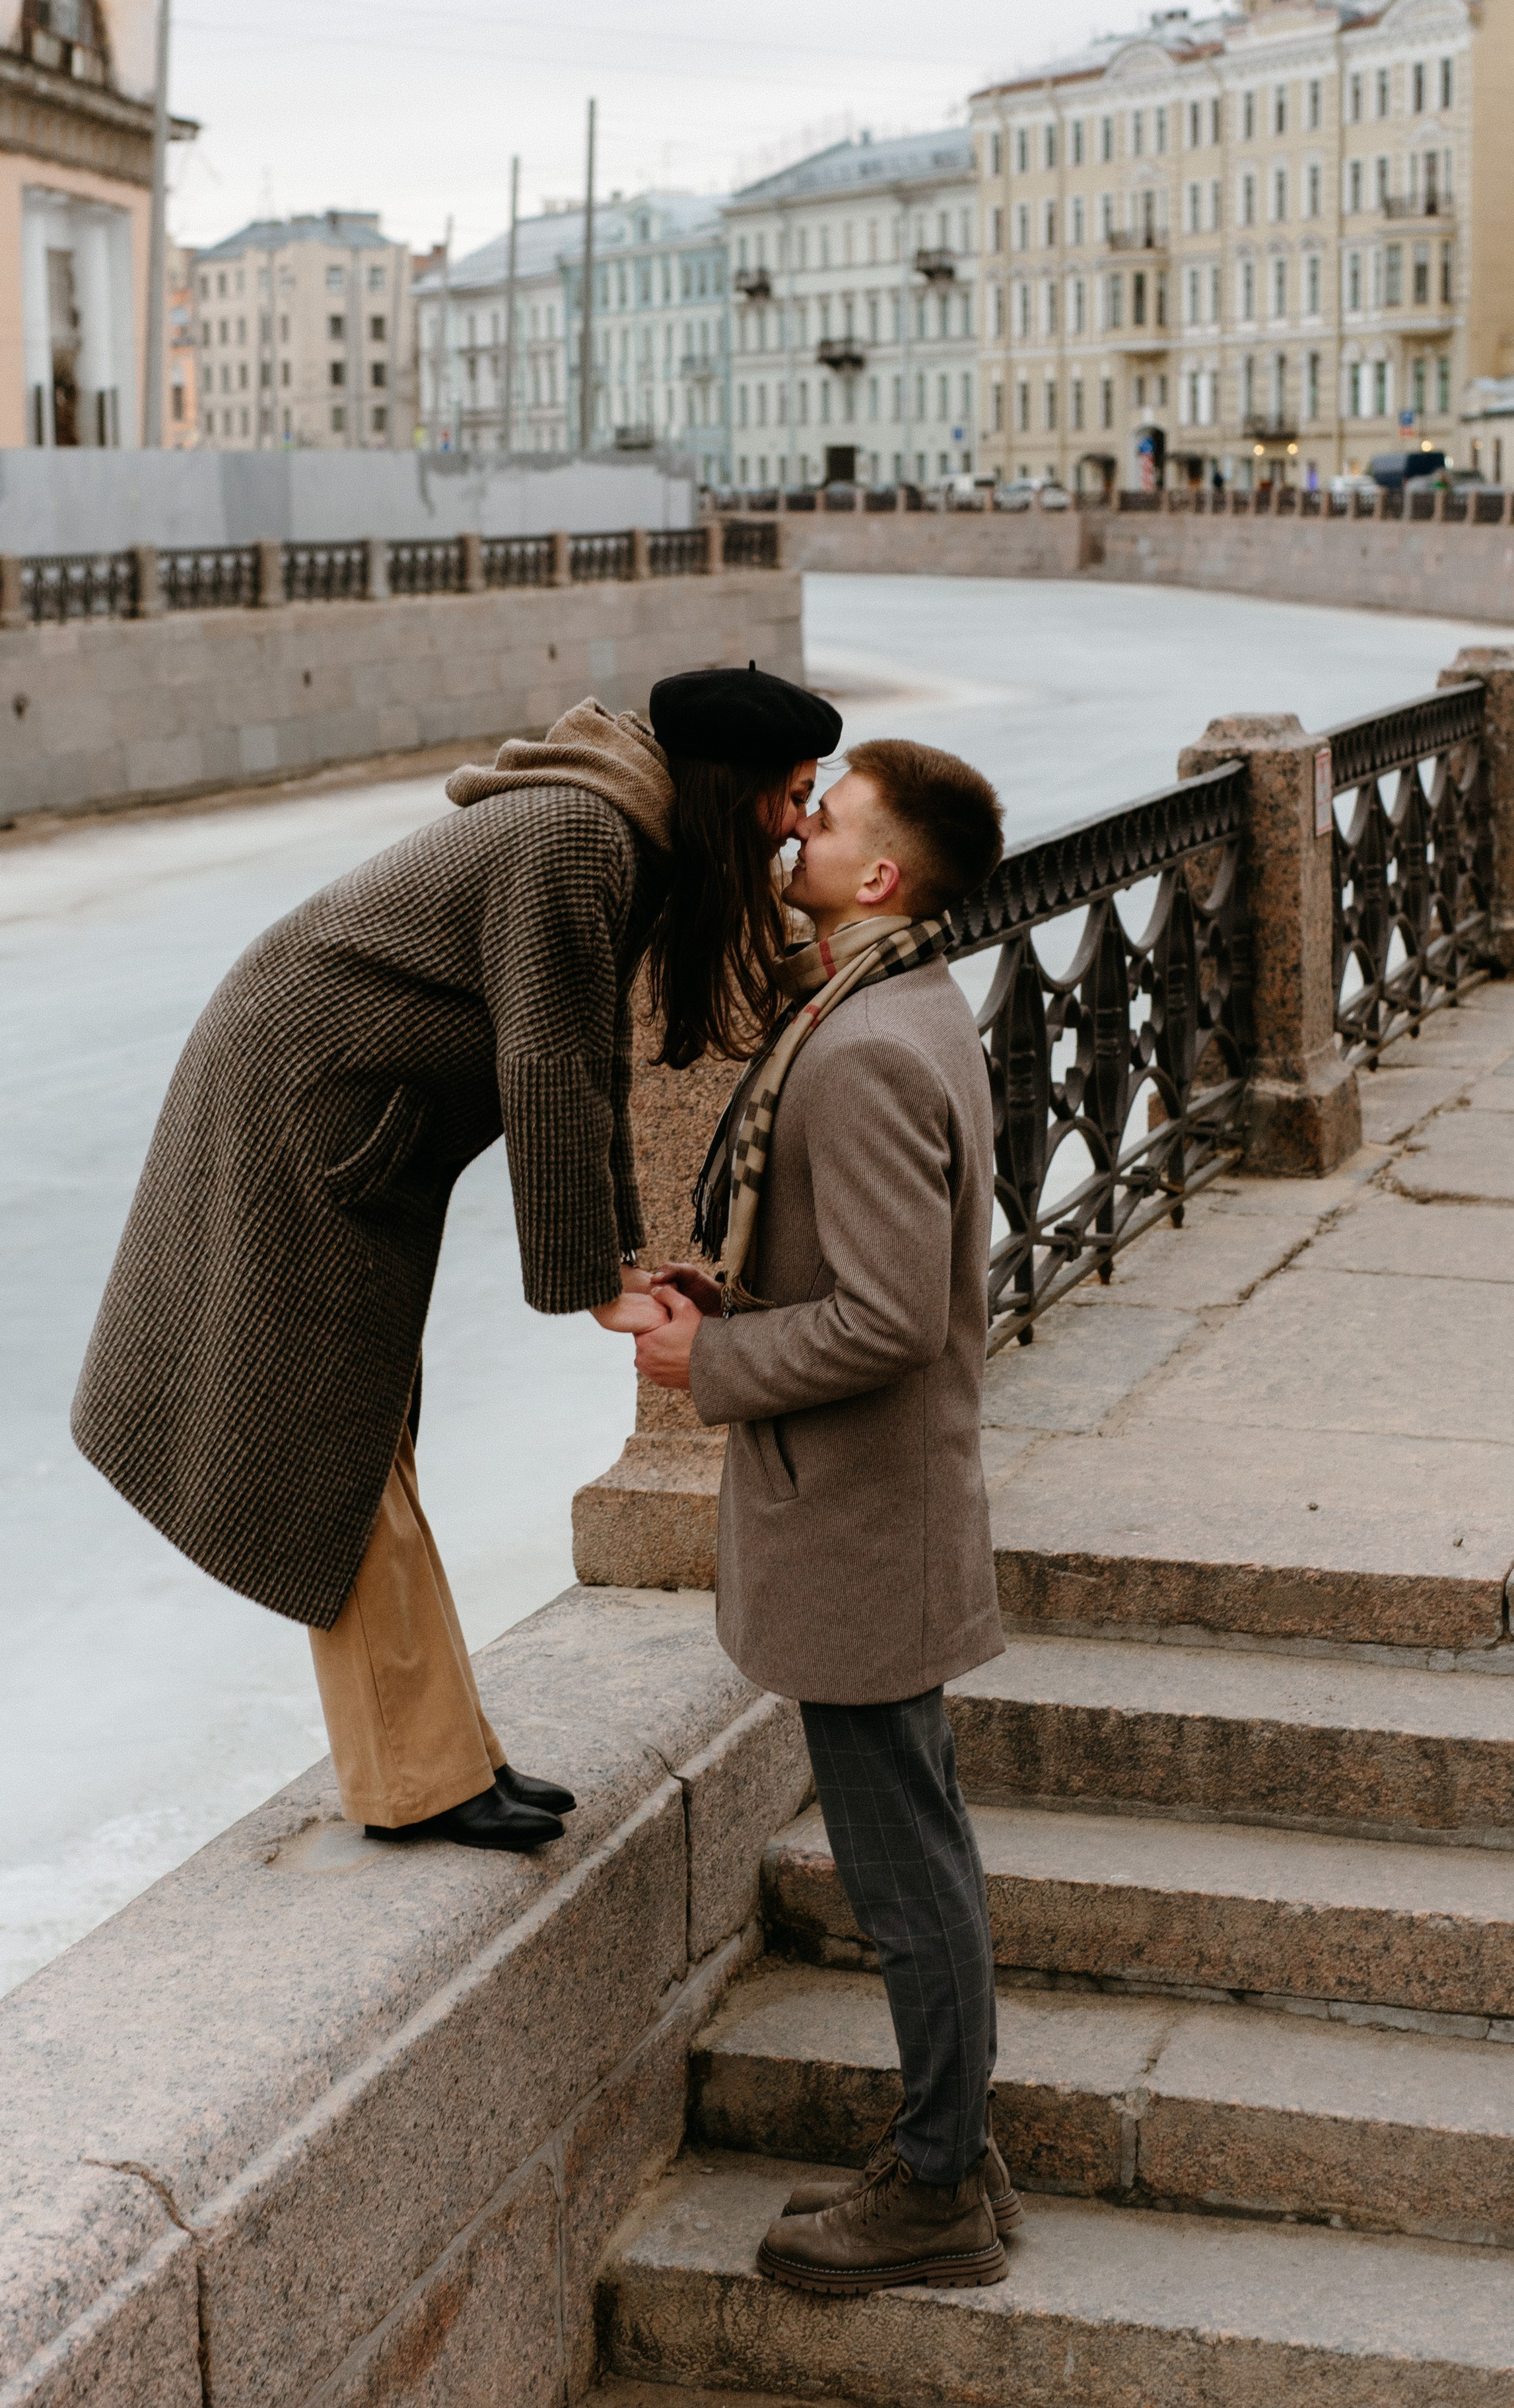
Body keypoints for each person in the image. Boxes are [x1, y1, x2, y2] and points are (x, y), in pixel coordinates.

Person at [72, 672, 841, 1855]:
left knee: (369, 1439)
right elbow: (543, 1066)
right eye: (791, 797)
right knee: (340, 1450)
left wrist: (617, 1257)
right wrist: (591, 1282)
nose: (799, 822)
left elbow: (587, 1063)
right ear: (732, 787)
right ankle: (416, 1782)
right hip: (301, 1114)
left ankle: (438, 1754)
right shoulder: (583, 835)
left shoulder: (615, 830)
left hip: (338, 1113)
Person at [637, 736, 1014, 2291]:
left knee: (902, 1867)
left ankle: (932, 2187)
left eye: (826, 818)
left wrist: (703, 1357)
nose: (792, 830)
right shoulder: (898, 1005)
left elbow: (885, 1321)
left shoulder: (860, 1050)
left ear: (876, 879)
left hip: (863, 1524)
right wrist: (734, 1287)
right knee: (915, 1841)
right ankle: (955, 2161)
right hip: (879, 1512)